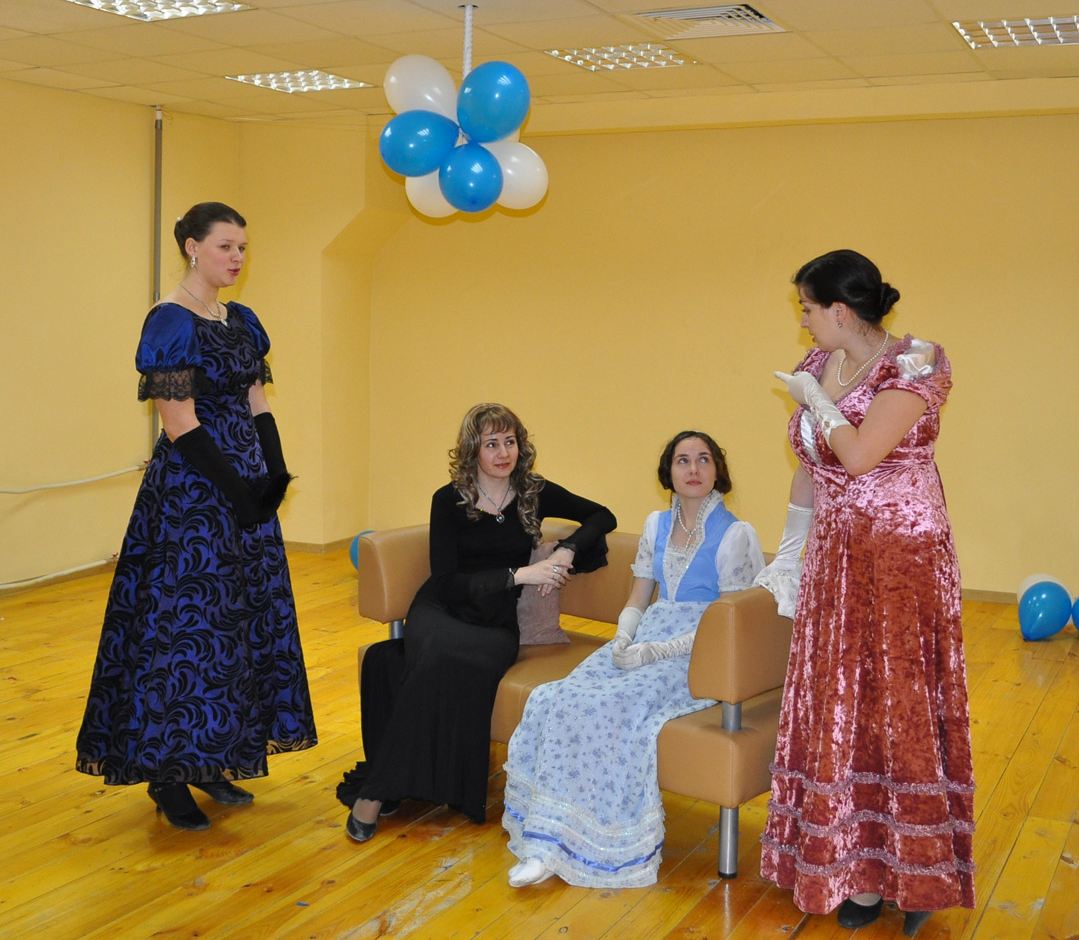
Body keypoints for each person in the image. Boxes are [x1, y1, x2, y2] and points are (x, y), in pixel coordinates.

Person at [75, 202, 317, 831]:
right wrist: (238, 492)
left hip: (246, 494)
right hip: (194, 496)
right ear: (192, 247)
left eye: (242, 247)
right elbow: (179, 423)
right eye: (224, 246)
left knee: (236, 627)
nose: (236, 257)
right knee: (185, 630)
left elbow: (257, 402)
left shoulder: (241, 320)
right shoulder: (169, 321)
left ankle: (211, 756)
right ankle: (166, 773)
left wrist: (274, 476)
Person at [757, 250, 974, 937]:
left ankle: (917, 871)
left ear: (840, 310)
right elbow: (811, 465)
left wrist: (816, 401)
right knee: (842, 707)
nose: (803, 320)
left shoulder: (916, 361)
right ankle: (855, 866)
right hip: (836, 556)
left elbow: (858, 455)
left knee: (898, 707)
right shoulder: (819, 364)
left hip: (899, 555)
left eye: (807, 308)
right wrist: (788, 555)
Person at [337, 403, 616, 842]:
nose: (503, 453)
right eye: (491, 444)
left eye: (510, 442)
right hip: (441, 611)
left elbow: (603, 515)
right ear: (473, 450)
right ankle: (377, 791)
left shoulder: (533, 491)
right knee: (432, 658)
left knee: (400, 661)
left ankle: (385, 785)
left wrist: (568, 549)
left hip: (495, 626)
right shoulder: (448, 500)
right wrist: (520, 575)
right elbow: (447, 582)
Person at [502, 431, 765, 888]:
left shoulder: (735, 535)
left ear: (717, 470)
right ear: (669, 473)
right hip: (646, 635)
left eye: (704, 459)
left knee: (609, 707)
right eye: (683, 460)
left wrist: (658, 651)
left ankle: (586, 843)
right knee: (555, 697)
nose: (694, 469)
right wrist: (625, 636)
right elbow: (640, 596)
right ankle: (546, 838)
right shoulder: (655, 525)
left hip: (698, 653)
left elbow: (729, 621)